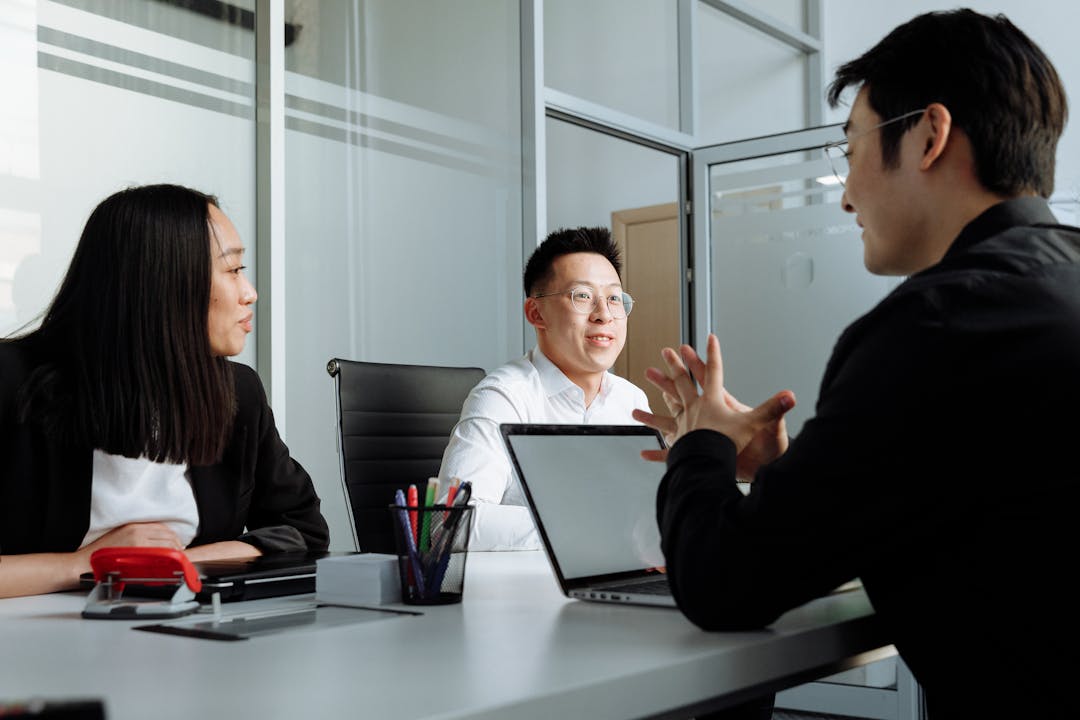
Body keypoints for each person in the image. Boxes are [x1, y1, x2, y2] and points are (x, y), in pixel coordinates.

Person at [634, 9, 1079, 719]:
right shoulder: (1053, 285)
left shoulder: (940, 327)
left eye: (852, 146)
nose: (844, 193)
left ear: (930, 135)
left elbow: (722, 583)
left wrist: (698, 441)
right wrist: (788, 478)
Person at [0, 184, 329, 598]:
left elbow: (304, 532)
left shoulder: (236, 394)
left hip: (192, 639)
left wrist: (180, 563)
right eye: (232, 270)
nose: (249, 293)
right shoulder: (14, 383)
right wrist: (84, 564)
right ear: (165, 281)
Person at [437, 227, 650, 550]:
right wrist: (584, 526)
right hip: (529, 593)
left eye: (614, 298)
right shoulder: (504, 397)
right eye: (583, 296)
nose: (604, 315)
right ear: (536, 313)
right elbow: (451, 522)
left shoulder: (631, 400)